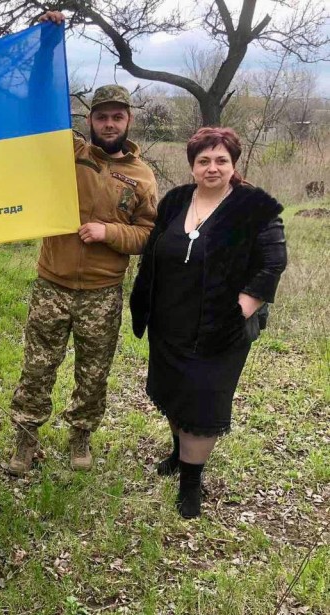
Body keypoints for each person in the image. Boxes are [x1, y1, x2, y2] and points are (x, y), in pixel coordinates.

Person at [7, 12, 158, 475]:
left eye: (117, 117)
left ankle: (80, 437)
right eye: (101, 116)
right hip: (52, 283)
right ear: (88, 119)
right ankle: (25, 442)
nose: (109, 123)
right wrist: (45, 40)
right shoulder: (67, 151)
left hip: (101, 292)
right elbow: (34, 104)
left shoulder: (141, 176)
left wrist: (109, 233)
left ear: (128, 121)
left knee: (93, 374)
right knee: (37, 367)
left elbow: (148, 234)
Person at [130, 127, 287, 518]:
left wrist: (241, 309)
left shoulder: (253, 207)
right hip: (170, 320)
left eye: (221, 160)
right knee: (174, 390)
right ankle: (176, 454)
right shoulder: (177, 200)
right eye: (204, 160)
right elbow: (153, 249)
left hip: (221, 327)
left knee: (203, 399)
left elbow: (272, 262)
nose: (212, 168)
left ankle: (191, 483)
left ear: (234, 165)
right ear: (192, 165)